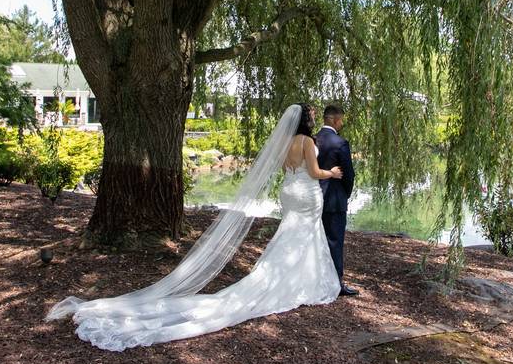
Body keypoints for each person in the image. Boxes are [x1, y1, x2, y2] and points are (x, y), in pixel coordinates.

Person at [46, 104, 344, 350]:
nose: (315, 119)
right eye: (313, 116)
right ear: (307, 120)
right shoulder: (307, 142)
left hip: (290, 193)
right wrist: (331, 172)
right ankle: (300, 282)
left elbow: (286, 170)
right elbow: (315, 172)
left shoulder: (283, 144)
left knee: (290, 235)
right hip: (307, 194)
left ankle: (286, 277)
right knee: (305, 235)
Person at [315, 104, 358, 296]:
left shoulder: (311, 140)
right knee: (334, 241)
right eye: (341, 120)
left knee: (316, 241)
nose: (342, 124)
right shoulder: (340, 143)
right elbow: (349, 175)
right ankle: (336, 284)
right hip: (334, 200)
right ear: (333, 119)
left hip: (312, 197)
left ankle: (316, 279)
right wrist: (345, 195)